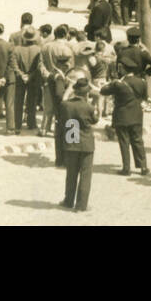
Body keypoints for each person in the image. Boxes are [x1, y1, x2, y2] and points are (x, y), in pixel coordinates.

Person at [100, 66, 149, 175]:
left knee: (124, 142)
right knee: (138, 140)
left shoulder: (118, 83)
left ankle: (126, 168)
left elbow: (103, 91)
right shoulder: (142, 82)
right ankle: (143, 167)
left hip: (121, 116)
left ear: (124, 70)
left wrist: (111, 82)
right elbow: (145, 98)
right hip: (136, 115)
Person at [59, 77, 98, 213]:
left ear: (74, 91)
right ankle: (81, 205)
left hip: (72, 140)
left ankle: (68, 201)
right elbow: (95, 121)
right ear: (86, 93)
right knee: (85, 174)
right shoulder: (89, 107)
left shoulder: (66, 105)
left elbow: (63, 101)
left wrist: (69, 89)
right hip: (86, 143)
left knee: (71, 174)